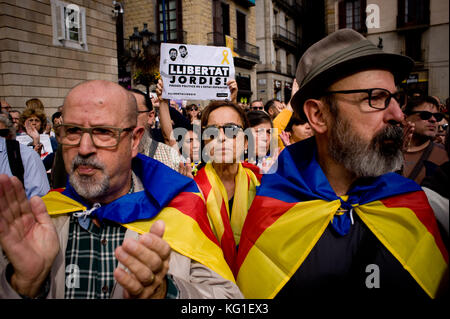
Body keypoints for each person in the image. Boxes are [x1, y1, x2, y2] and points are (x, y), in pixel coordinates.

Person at [235, 29, 448, 300]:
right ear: (319, 115)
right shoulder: (273, 213)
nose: (397, 114)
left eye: (396, 98)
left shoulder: (412, 203)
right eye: (375, 97)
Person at [0, 80, 241, 299]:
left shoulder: (178, 211)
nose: (84, 148)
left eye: (103, 132)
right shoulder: (38, 221)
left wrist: (165, 292)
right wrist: (22, 284)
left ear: (135, 141)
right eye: (72, 131)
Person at [194, 100, 261, 270]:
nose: (221, 138)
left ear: (246, 142)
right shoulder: (191, 191)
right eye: (212, 131)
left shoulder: (262, 185)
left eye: (231, 130)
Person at [130, 88, 182, 171]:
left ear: (150, 116)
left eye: (132, 113)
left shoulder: (167, 156)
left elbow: (168, 137)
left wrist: (163, 102)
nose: (124, 119)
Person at [0, 113, 49, 198]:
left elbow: (39, 199)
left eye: (36, 120)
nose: (33, 123)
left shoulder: (26, 155)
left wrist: (36, 141)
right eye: (31, 120)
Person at [402, 96, 449, 184]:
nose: (433, 120)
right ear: (405, 119)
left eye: (437, 116)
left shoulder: (445, 156)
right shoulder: (385, 152)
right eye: (425, 115)